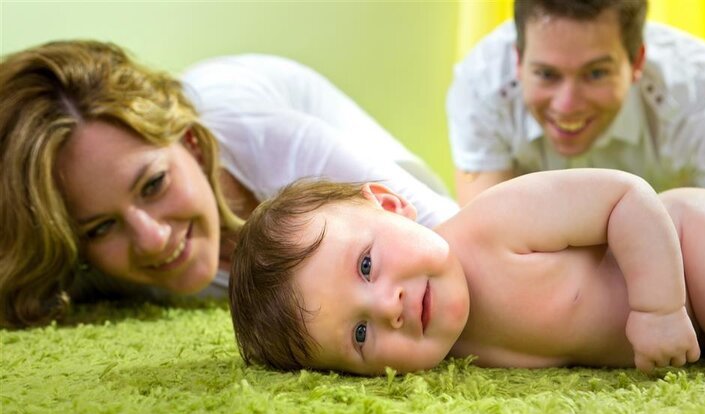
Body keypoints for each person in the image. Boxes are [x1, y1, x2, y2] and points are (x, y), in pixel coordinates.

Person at [0, 40, 457, 328]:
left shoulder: (253, 129)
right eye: (101, 228)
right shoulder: (86, 265)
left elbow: (449, 233)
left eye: (154, 184)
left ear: (190, 142)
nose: (153, 239)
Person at [228, 169, 705, 376]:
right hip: (700, 329)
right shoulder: (454, 351)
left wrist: (659, 308)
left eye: (366, 266)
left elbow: (626, 197)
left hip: (691, 244)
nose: (389, 306)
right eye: (360, 333)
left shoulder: (493, 226)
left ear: (390, 205)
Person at [447, 0, 705, 205]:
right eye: (547, 74)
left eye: (595, 73)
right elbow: (486, 242)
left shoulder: (698, 89)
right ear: (518, 60)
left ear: (636, 62)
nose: (567, 106)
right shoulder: (482, 84)